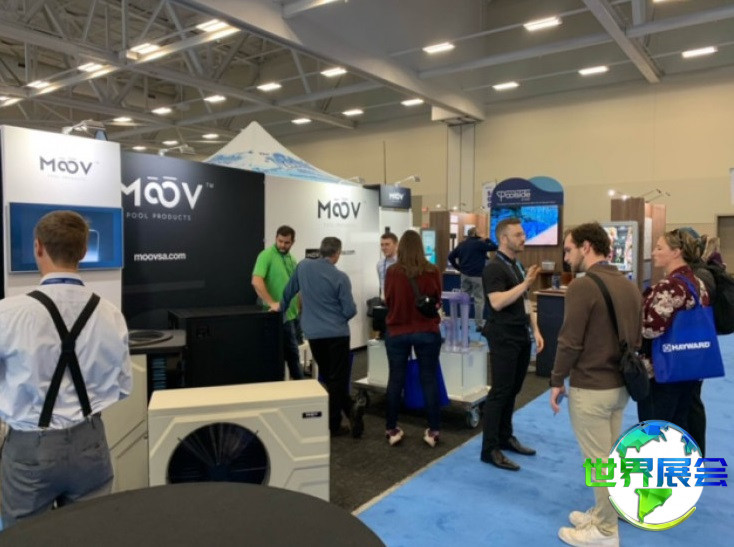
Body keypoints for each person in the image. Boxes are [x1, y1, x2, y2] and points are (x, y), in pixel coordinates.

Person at [0, 210, 133, 528]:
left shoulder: (8, 314)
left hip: (29, 448)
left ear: (38, 247)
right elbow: (123, 386)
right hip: (90, 441)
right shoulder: (110, 313)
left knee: (24, 538)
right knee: (90, 533)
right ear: (83, 251)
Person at [550, 222, 642, 547]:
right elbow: (637, 337)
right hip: (620, 387)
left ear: (586, 247)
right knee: (611, 458)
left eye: (569, 249)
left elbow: (569, 341)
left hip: (591, 388)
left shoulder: (582, 286)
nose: (566, 257)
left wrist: (556, 379)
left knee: (599, 462)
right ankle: (606, 514)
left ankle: (605, 531)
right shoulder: (629, 285)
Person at [281, 237, 363, 437]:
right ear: (337, 253)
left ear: (321, 250)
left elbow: (288, 292)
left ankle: (350, 410)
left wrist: (280, 309)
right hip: (337, 334)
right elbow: (349, 310)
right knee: (337, 379)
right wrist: (337, 318)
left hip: (314, 335)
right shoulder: (340, 277)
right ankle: (334, 423)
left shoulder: (303, 267)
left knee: (329, 376)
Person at [479, 218, 543, 471]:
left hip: (520, 335)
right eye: (518, 234)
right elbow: (496, 302)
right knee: (500, 392)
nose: (523, 238)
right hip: (503, 336)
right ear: (503, 238)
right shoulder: (494, 268)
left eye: (523, 234)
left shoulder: (516, 265)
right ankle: (489, 448)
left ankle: (505, 437)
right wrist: (525, 283)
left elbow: (525, 301)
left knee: (513, 390)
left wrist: (535, 329)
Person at [637, 229, 709, 433]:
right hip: (689, 367)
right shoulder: (698, 282)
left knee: (656, 429)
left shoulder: (669, 286)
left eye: (659, 248)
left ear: (676, 252)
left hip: (663, 371)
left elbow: (652, 329)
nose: (654, 252)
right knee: (680, 425)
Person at [383, 230, 443, 447]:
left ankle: (391, 429)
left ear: (400, 248)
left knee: (395, 379)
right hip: (426, 331)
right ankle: (433, 431)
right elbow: (437, 300)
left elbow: (388, 299)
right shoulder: (432, 270)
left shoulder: (392, 272)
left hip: (397, 331)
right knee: (429, 378)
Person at [252, 225, 303, 379]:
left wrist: (299, 308)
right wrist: (271, 302)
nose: (282, 245)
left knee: (292, 356)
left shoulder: (292, 259)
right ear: (276, 238)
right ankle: (301, 387)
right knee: (290, 357)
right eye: (280, 241)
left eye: (286, 242)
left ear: (293, 242)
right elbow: (256, 281)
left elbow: (296, 287)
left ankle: (298, 387)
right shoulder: (266, 255)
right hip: (277, 315)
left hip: (293, 315)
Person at [448, 227, 497, 331]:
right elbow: (495, 247)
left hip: (464, 276)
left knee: (464, 300)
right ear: (475, 234)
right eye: (480, 232)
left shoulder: (462, 244)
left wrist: (458, 268)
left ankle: (464, 324)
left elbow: (450, 257)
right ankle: (479, 325)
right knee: (479, 300)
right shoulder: (479, 244)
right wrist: (487, 239)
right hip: (478, 276)